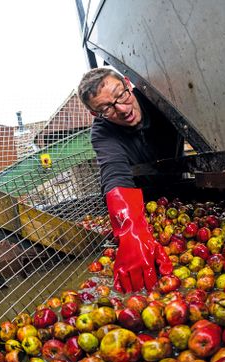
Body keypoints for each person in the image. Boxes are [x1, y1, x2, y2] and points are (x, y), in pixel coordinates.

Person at [78, 67, 184, 293]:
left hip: (177, 184)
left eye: (121, 94)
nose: (123, 109)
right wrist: (131, 231)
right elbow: (114, 173)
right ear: (96, 115)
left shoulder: (158, 98)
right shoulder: (103, 133)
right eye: (107, 108)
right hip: (143, 202)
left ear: (128, 82)